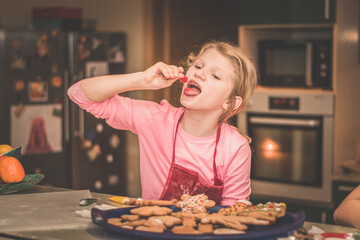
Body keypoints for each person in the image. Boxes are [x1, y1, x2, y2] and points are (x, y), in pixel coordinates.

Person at [67, 40, 257, 206]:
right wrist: (142, 80)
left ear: (230, 103)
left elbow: (235, 215)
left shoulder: (234, 147)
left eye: (215, 75)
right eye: (198, 66)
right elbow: (79, 93)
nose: (199, 74)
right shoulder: (155, 119)